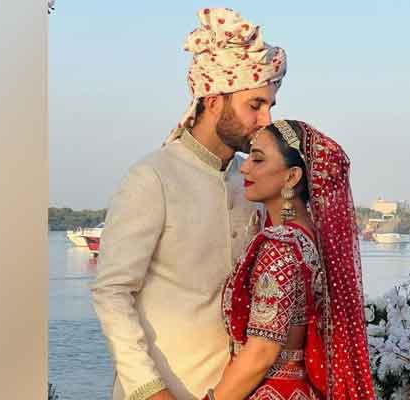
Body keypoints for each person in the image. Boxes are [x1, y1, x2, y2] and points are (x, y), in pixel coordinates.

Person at [90, 8, 287, 400]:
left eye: (270, 107)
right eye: (255, 105)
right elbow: (112, 293)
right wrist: (148, 389)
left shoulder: (249, 183)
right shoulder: (154, 177)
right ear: (214, 101)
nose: (266, 120)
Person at [204, 120, 375, 400]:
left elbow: (261, 351)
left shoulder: (279, 246)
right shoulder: (311, 238)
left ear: (292, 177)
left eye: (258, 160)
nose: (245, 167)